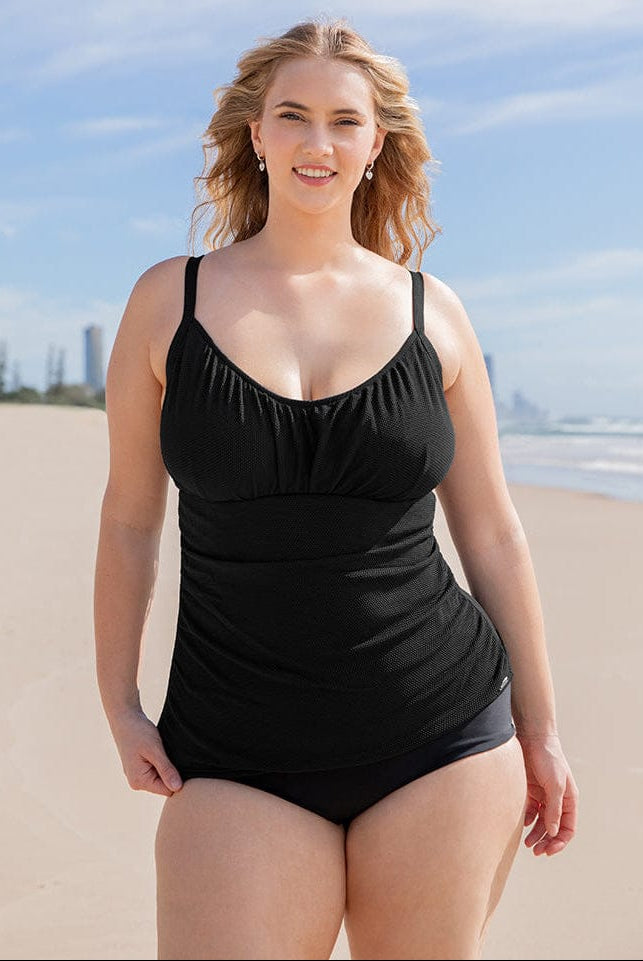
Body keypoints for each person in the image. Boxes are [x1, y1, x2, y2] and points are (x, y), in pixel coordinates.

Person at [94, 15, 579, 961]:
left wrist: (542, 729)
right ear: (255, 133)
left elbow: (491, 532)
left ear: (375, 144)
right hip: (233, 746)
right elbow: (127, 520)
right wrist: (119, 703)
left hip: (441, 730)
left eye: (344, 121)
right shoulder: (169, 301)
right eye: (294, 116)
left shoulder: (430, 312)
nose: (319, 142)